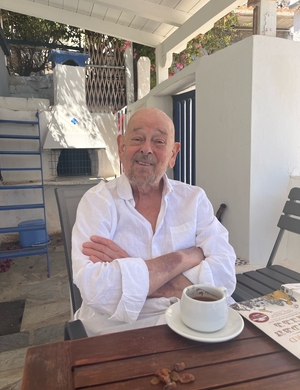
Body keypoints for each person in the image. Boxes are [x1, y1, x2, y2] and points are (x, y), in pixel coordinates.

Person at [72, 107, 236, 336]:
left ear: (173, 154)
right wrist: (181, 258)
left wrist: (133, 271)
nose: (146, 149)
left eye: (159, 142)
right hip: (119, 330)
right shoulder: (97, 202)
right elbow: (96, 289)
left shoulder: (194, 199)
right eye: (137, 139)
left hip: (195, 321)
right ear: (121, 147)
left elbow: (224, 277)